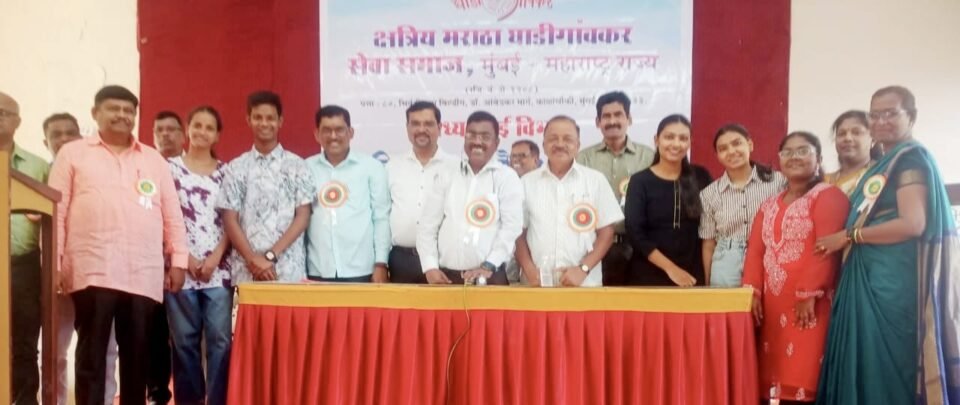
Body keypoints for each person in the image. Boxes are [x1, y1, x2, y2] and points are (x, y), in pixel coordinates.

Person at [815, 86, 960, 404]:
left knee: (886, 362)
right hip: (871, 273)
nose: (881, 121)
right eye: (875, 115)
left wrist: (850, 236)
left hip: (890, 283)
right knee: (869, 361)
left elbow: (912, 223)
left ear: (912, 117)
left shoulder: (909, 160)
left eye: (891, 114)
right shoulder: (888, 161)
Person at [48, 85, 189, 405]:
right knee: (92, 357)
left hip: (142, 271)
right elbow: (56, 212)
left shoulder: (153, 160)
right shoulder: (73, 154)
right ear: (95, 113)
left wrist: (178, 260)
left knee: (138, 357)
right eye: (114, 108)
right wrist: (54, 264)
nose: (122, 115)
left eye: (129, 111)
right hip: (93, 268)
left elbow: (172, 214)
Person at [742, 131, 849, 403]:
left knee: (806, 371)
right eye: (787, 152)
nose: (794, 157)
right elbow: (756, 251)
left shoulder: (829, 196)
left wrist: (808, 293)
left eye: (803, 151)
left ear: (819, 158)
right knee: (776, 374)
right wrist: (752, 292)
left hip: (811, 303)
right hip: (772, 304)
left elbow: (826, 249)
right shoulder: (768, 205)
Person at [43, 112, 119, 405]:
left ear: (81, 137)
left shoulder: (99, 172)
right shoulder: (40, 173)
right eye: (56, 135)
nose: (63, 139)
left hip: (97, 272)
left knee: (105, 348)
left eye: (70, 133)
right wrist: (54, 267)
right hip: (56, 273)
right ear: (45, 142)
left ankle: (105, 400)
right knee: (55, 349)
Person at [165, 106, 233, 405]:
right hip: (181, 268)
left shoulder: (227, 172)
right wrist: (186, 259)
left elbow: (233, 220)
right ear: (187, 128)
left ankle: (217, 400)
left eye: (209, 127)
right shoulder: (168, 169)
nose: (202, 132)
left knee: (220, 342)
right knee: (184, 342)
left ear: (217, 135)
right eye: (197, 125)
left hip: (218, 269)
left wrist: (216, 257)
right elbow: (164, 217)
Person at [217, 91, 314, 283]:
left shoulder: (298, 166)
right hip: (246, 271)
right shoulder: (236, 167)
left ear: (280, 121)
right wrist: (253, 260)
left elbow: (303, 217)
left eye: (270, 118)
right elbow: (229, 218)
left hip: (288, 271)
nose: (264, 123)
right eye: (258, 117)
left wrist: (270, 256)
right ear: (248, 120)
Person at [416, 111, 523, 285]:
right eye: (471, 135)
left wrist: (489, 265)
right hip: (445, 277)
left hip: (489, 276)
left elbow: (511, 228)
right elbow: (427, 225)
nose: (477, 142)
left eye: (485, 136)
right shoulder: (447, 173)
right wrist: (430, 267)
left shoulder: (506, 177)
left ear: (496, 143)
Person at [515, 115, 621, 287]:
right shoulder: (526, 183)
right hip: (536, 284)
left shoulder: (595, 180)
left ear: (578, 145)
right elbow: (517, 233)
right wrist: (529, 269)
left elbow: (607, 232)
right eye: (553, 138)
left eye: (567, 139)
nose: (560, 144)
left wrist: (583, 269)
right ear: (543, 145)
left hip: (584, 283)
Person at [577, 91, 655, 286]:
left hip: (638, 248)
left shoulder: (648, 157)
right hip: (594, 248)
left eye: (618, 115)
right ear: (598, 122)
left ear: (629, 119)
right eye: (606, 116)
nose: (612, 121)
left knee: (634, 302)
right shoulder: (583, 159)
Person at [624, 114, 711, 286]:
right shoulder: (640, 181)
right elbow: (635, 233)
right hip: (648, 276)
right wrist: (671, 269)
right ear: (656, 140)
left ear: (690, 143)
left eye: (683, 138)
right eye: (669, 137)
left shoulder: (701, 176)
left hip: (693, 276)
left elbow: (711, 229)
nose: (676, 144)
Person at [305, 105, 390, 282]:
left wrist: (381, 263)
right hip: (317, 268)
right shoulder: (305, 168)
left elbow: (381, 218)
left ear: (351, 133)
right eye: (326, 130)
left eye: (339, 130)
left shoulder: (372, 167)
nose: (333, 136)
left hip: (361, 270)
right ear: (316, 134)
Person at [2, 91, 49, 405]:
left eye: (3, 112)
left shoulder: (37, 166)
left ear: (18, 121)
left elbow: (53, 211)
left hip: (23, 265)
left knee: (24, 341)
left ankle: (24, 400)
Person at [699, 124, 785, 287]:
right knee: (728, 304)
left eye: (737, 143)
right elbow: (708, 243)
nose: (731, 151)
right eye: (723, 148)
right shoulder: (709, 194)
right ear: (717, 156)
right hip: (726, 265)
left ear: (750, 145)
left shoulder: (778, 182)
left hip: (770, 257)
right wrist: (708, 283)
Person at [386, 101, 453, 284]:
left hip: (442, 261)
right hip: (401, 261)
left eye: (428, 124)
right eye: (415, 124)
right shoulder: (392, 167)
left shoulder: (455, 167)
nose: (421, 129)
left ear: (440, 127)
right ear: (407, 128)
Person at [146, 110, 184, 405]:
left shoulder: (195, 170)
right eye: (160, 130)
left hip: (192, 269)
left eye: (172, 129)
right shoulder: (144, 168)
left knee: (190, 338)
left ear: (183, 135)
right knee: (155, 335)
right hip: (151, 266)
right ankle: (158, 393)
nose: (166, 135)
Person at [823, 110, 877, 195]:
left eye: (856, 132)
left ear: (873, 139)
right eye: (841, 134)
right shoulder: (823, 182)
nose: (848, 138)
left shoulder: (880, 174)